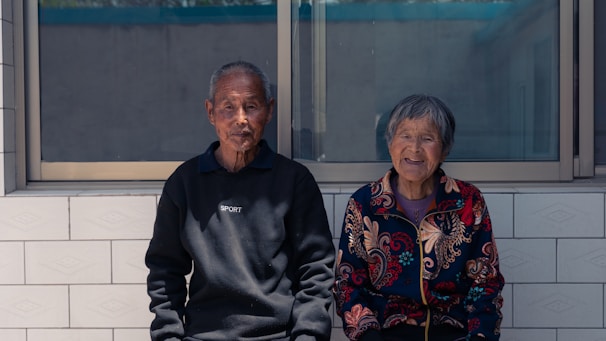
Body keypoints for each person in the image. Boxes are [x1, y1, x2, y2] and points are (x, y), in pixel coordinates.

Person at [145, 60, 335, 341]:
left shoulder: (294, 181)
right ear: (211, 112)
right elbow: (165, 271)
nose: (241, 118)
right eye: (228, 107)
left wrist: (308, 336)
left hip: (278, 336)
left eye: (252, 106)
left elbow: (316, 269)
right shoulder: (184, 183)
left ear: (269, 111)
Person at [333, 94, 505, 341]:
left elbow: (486, 283)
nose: (414, 148)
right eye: (405, 136)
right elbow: (348, 284)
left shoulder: (467, 201)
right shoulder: (365, 203)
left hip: (453, 335)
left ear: (444, 150)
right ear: (390, 143)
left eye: (428, 138)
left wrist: (479, 337)